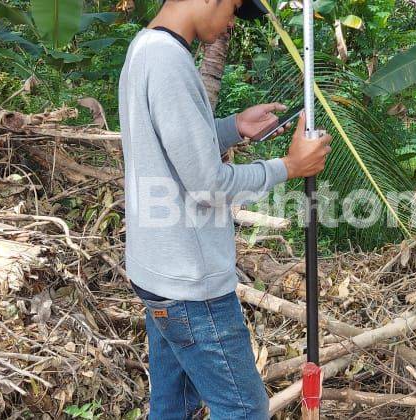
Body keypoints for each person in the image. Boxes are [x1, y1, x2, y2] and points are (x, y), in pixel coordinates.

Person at [118, 0, 332, 418]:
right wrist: (289, 167)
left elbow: (169, 146)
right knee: (245, 409)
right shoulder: (169, 62)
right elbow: (208, 185)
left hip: (160, 275)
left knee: (173, 406)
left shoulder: (146, 47)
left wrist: (232, 127)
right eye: (234, 6)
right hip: (191, 287)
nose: (232, 20)